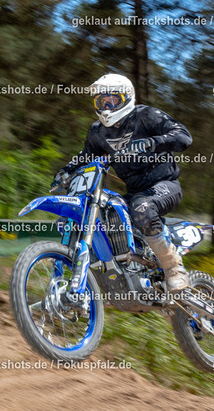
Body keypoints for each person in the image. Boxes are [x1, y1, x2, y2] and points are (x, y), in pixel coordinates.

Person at [52, 73, 193, 294]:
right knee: (105, 211)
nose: (106, 106)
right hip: (134, 192)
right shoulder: (97, 131)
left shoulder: (146, 115)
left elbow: (183, 136)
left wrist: (151, 142)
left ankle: (174, 268)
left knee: (142, 207)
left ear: (126, 97)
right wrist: (66, 171)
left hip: (165, 185)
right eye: (101, 101)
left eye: (112, 100)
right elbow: (85, 157)